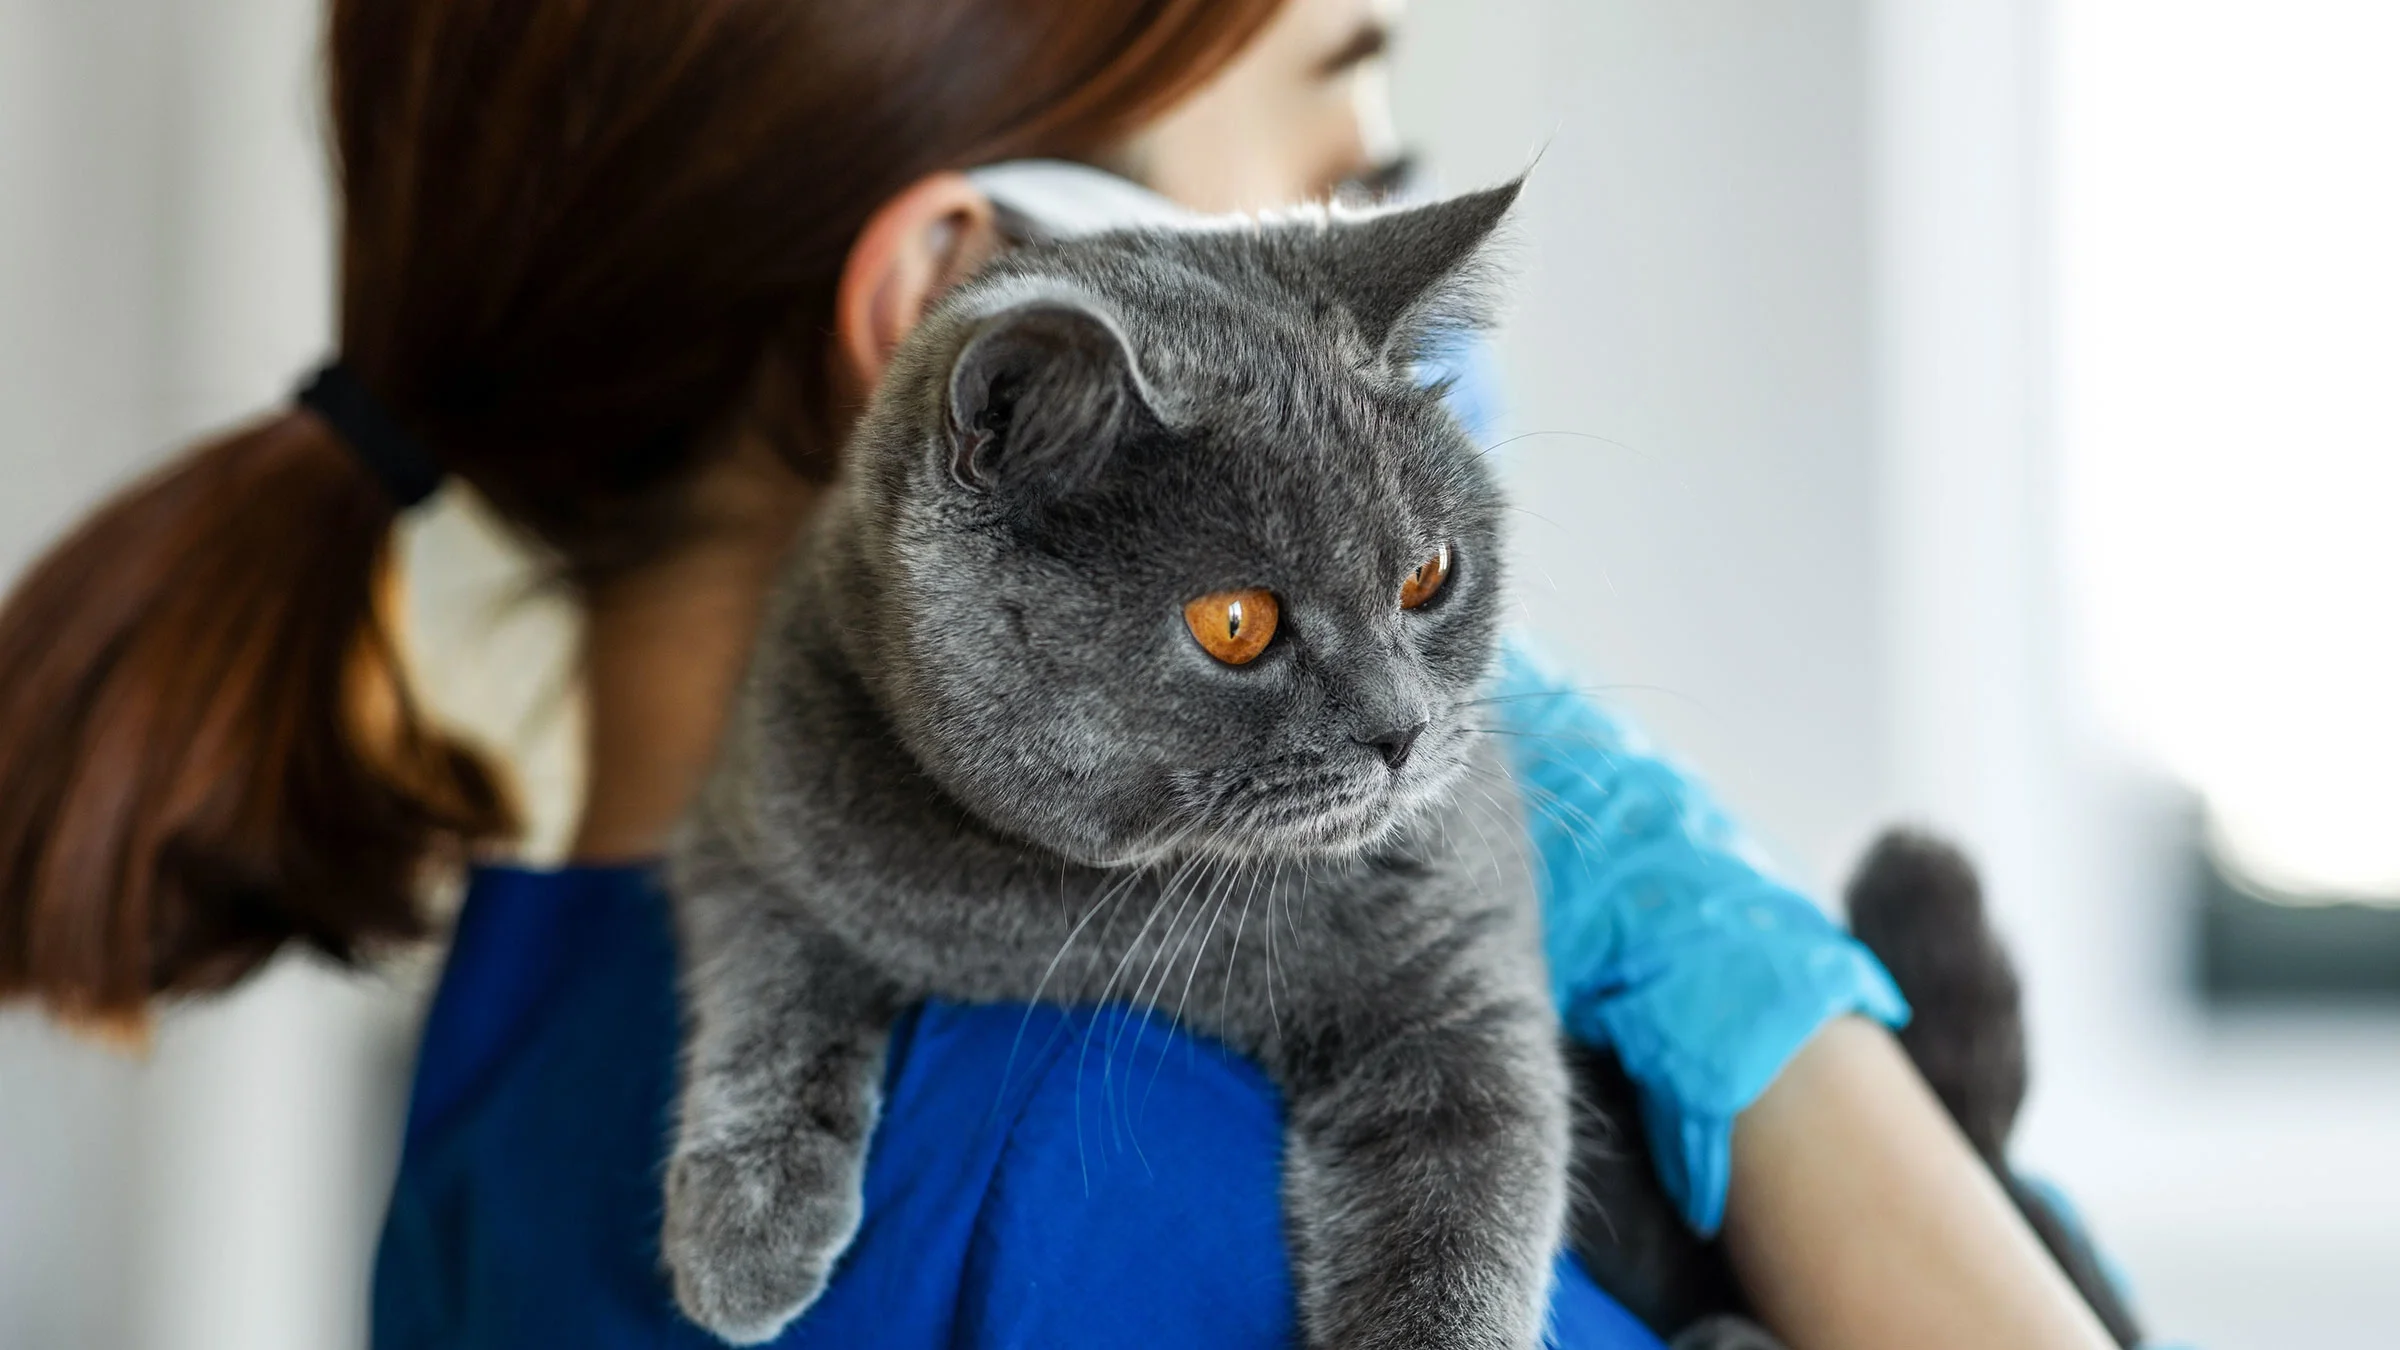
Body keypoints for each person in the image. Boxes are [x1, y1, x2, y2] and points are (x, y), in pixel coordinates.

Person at [0, 1, 2121, 1348]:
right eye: (1335, 189)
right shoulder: (1096, 1187)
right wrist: (1793, 1054)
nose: (1375, 304)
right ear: (962, 308)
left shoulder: (514, 1046)